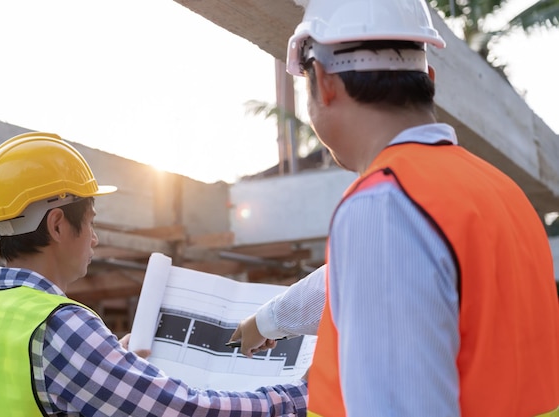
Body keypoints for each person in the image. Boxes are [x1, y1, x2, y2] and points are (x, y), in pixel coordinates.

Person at [230, 0, 559, 415]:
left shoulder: (386, 202)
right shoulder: (498, 192)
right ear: (430, 81)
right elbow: (383, 278)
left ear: (323, 82)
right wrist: (267, 322)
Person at [0, 132, 307, 416]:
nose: (94, 238)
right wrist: (294, 397)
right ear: (58, 225)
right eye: (92, 222)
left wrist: (110, 359)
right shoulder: (63, 327)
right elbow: (185, 411)